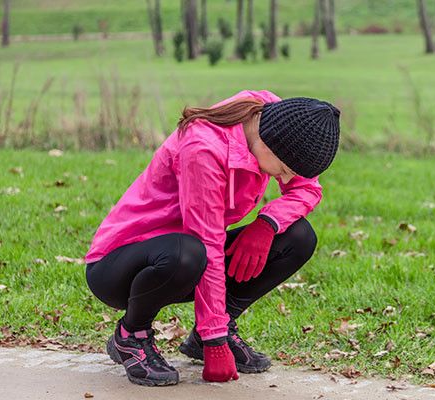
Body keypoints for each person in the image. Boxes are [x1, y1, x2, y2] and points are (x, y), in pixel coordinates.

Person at [84, 90, 340, 386]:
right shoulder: (203, 148)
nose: (283, 179)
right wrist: (214, 341)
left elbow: (307, 189)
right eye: (283, 170)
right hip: (119, 265)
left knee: (298, 236)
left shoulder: (278, 119)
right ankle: (131, 335)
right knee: (189, 253)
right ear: (270, 145)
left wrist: (267, 224)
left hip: (187, 253)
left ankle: (208, 334)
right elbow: (208, 243)